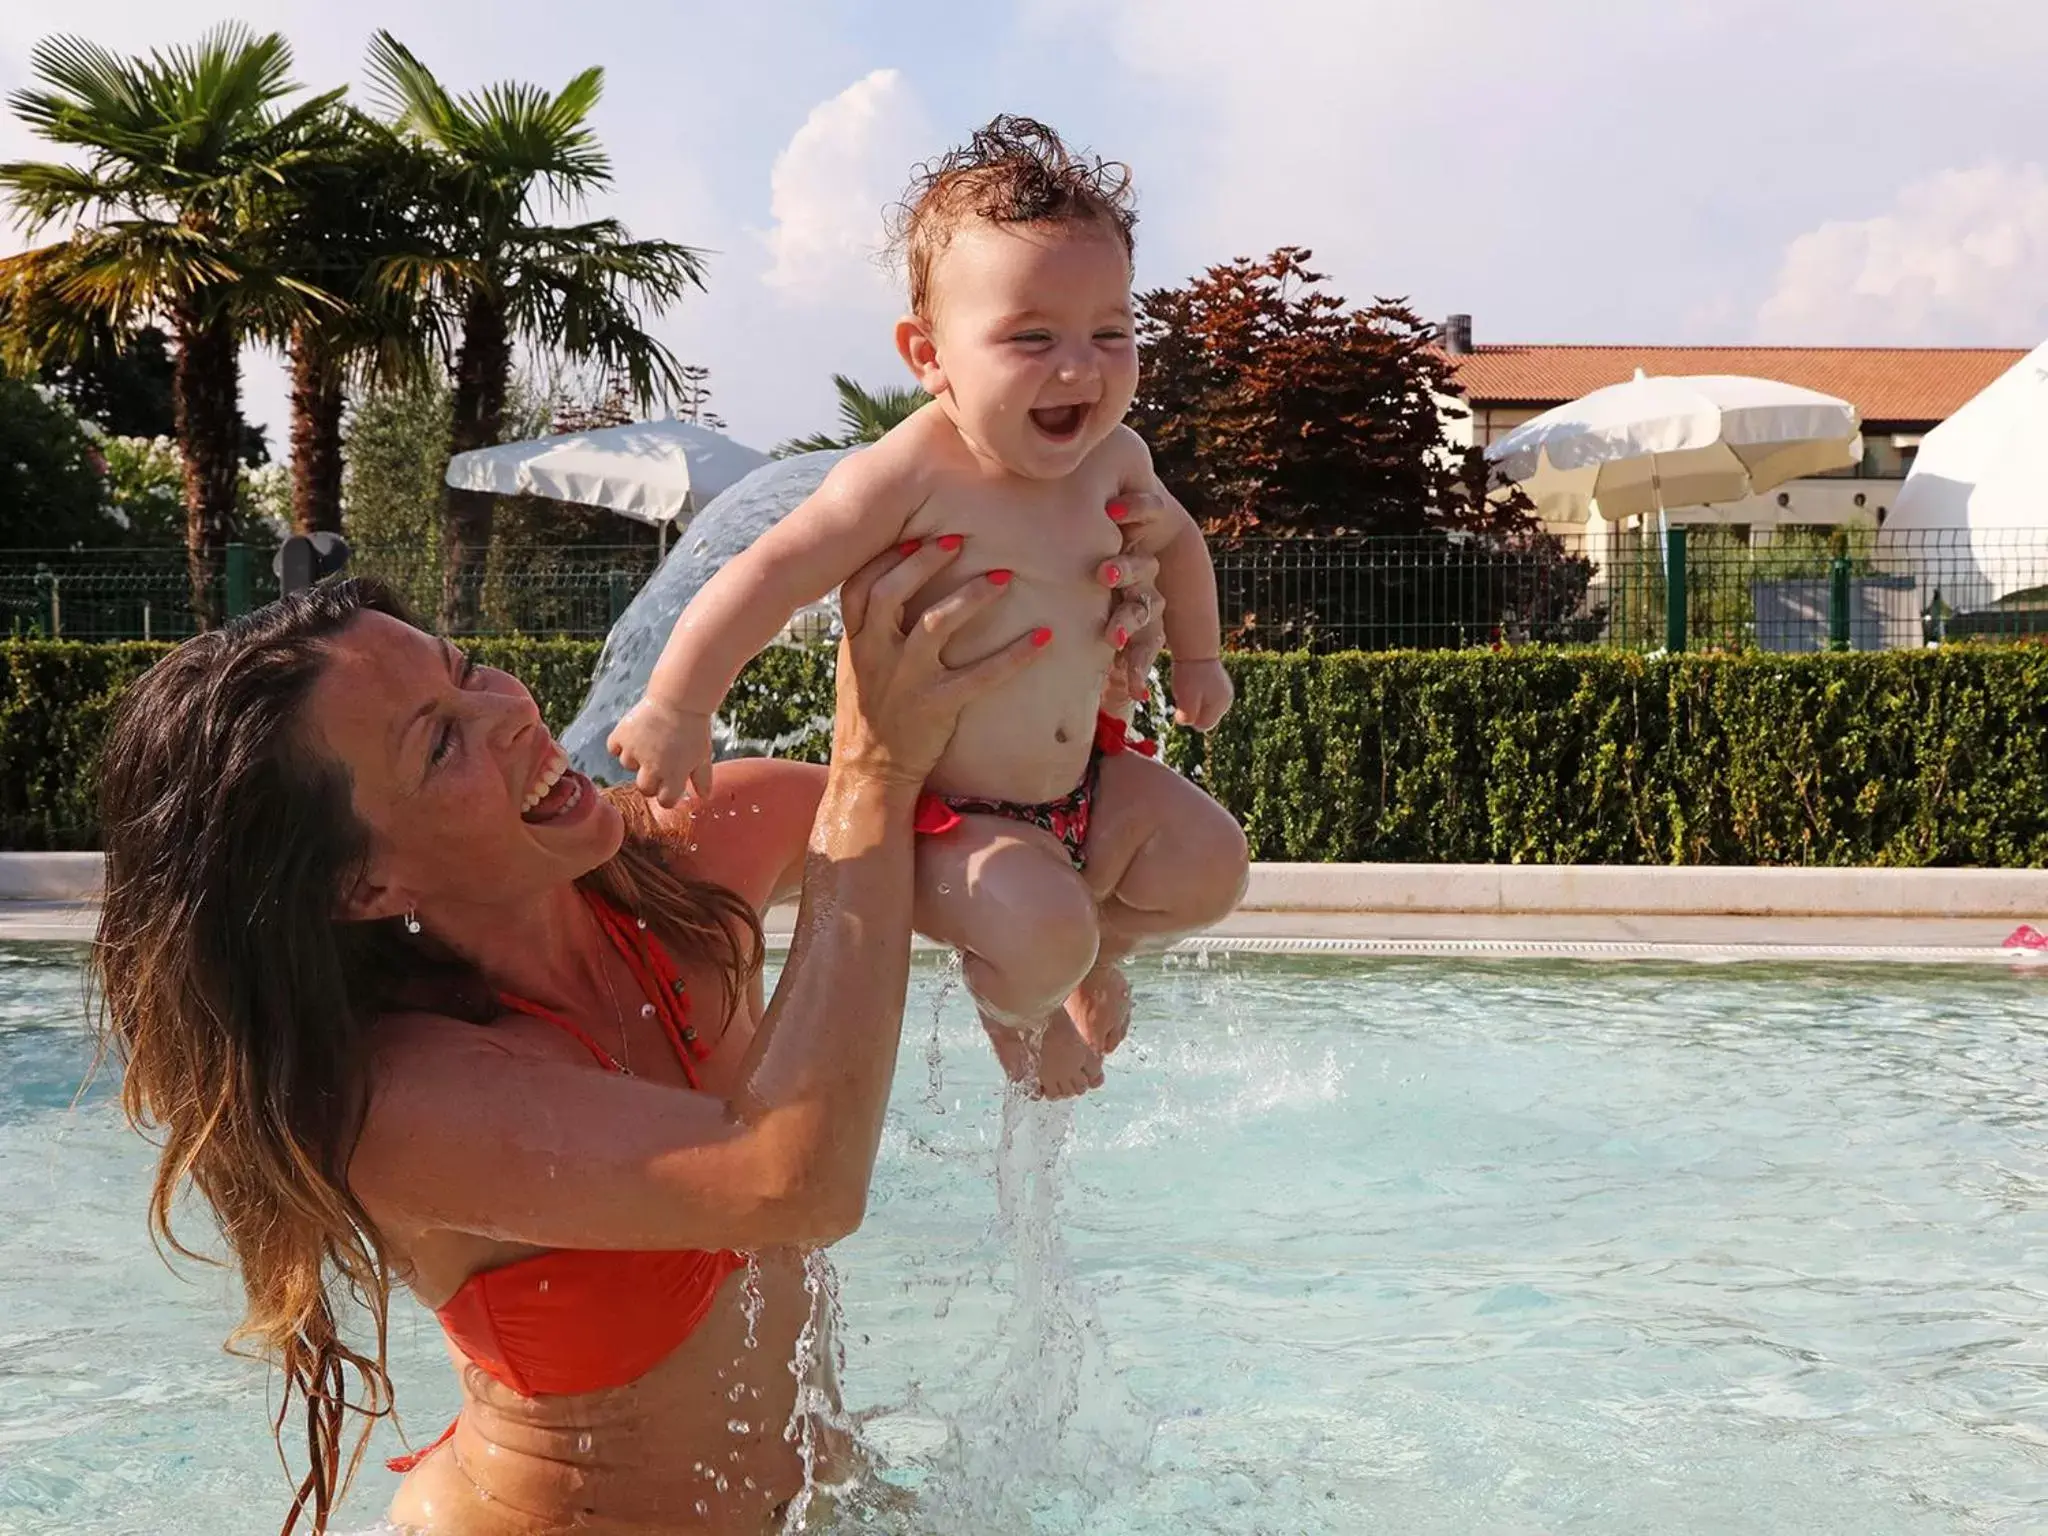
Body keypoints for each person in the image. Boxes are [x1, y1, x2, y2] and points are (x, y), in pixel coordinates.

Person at [87, 538, 1073, 1534]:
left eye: (465, 670)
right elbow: (795, 1182)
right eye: (437, 744)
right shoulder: (404, 1102)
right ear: (362, 885)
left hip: (827, 1507)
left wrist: (1041, 970)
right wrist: (873, 770)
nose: (510, 716)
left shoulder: (691, 855)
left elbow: (985, 839)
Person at [610, 116, 1250, 1099]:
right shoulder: (905, 475)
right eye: (1030, 338)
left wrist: (1198, 658)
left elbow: (1178, 542)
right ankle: (1020, 1008)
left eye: (1108, 333)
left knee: (1213, 864)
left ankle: (1092, 958)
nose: (1077, 367)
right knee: (1040, 930)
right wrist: (677, 705)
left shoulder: (1116, 461)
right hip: (950, 821)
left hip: (1085, 783)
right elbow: (767, 571)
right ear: (928, 354)